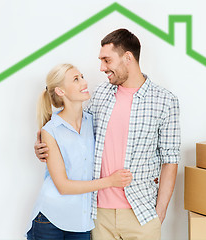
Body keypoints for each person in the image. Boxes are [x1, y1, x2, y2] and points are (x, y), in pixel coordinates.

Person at [34, 29, 181, 240]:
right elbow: (71, 126)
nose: (102, 68)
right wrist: (43, 142)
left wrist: (160, 212)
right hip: (98, 215)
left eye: (107, 60)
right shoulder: (100, 94)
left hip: (141, 214)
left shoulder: (165, 101)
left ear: (127, 57)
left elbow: (170, 160)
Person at [27, 63, 133, 240]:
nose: (84, 82)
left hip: (81, 222)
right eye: (76, 79)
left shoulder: (93, 122)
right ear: (61, 91)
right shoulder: (50, 130)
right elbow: (63, 186)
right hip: (50, 219)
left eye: (82, 77)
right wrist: (110, 181)